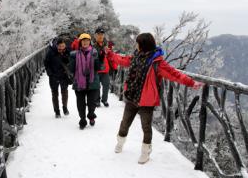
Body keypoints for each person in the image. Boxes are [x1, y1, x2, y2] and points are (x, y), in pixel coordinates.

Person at [107, 33, 204, 164]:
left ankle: (145, 152)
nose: (136, 45)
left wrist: (191, 83)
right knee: (125, 123)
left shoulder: (157, 63)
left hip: (146, 100)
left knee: (146, 127)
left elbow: (173, 74)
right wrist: (111, 55)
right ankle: (120, 142)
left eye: (138, 43)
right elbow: (123, 61)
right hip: (132, 95)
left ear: (143, 45)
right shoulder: (136, 56)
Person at [69, 33, 104, 129]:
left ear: (90, 42)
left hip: (93, 82)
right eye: (83, 41)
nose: (85, 42)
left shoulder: (95, 52)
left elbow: (99, 68)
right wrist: (72, 60)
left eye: (87, 40)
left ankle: (91, 115)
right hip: (79, 82)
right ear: (80, 42)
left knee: (91, 103)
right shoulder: (74, 54)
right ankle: (83, 119)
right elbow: (71, 69)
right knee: (80, 103)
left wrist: (100, 59)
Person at [44, 37, 71, 118]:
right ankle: (57, 111)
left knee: (64, 92)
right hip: (54, 76)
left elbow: (70, 61)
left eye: (63, 46)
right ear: (57, 45)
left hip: (63, 75)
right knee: (55, 93)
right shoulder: (51, 52)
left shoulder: (67, 51)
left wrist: (65, 56)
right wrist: (50, 73)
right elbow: (46, 63)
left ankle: (65, 108)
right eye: (60, 46)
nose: (62, 47)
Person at [93, 28, 117, 107]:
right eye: (99, 34)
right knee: (97, 86)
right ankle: (97, 101)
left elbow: (111, 57)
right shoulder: (92, 46)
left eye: (102, 34)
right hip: (96, 70)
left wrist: (114, 67)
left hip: (106, 69)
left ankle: (104, 100)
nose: (100, 36)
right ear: (95, 35)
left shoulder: (107, 46)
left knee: (106, 85)